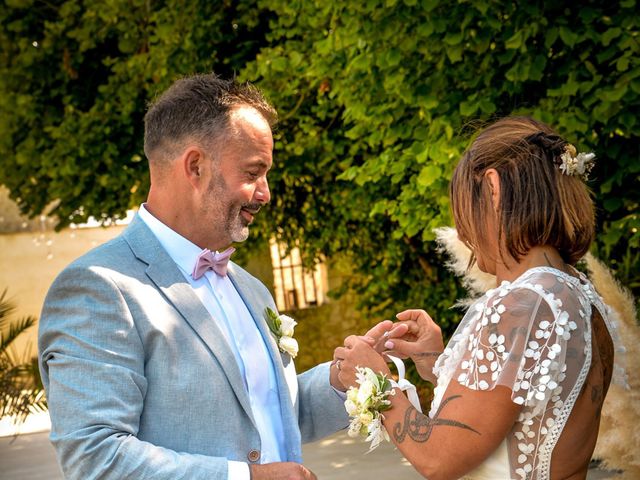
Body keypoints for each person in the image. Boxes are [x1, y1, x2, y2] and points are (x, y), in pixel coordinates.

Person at [38, 73, 348, 480]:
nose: (265, 192)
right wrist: (247, 478)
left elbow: (271, 413)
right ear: (196, 166)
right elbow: (96, 457)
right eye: (254, 172)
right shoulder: (99, 287)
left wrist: (344, 380)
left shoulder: (251, 289)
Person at [334, 116, 625, 480]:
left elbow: (440, 459)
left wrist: (372, 380)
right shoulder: (580, 295)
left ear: (492, 188)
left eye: (463, 210)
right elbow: (524, 412)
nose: (464, 232)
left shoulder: (521, 305)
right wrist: (438, 362)